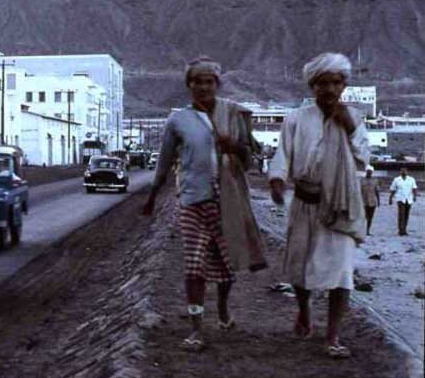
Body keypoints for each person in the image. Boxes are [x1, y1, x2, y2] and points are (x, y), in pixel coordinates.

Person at [143, 56, 267, 350]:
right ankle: (196, 328)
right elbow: (164, 161)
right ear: (189, 85)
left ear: (217, 84)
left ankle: (222, 307)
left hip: (228, 201)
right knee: (194, 265)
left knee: (226, 266)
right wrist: (152, 196)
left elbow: (250, 160)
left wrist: (233, 146)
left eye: (209, 81)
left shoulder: (233, 114)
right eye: (197, 81)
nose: (203, 87)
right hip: (192, 200)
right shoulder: (178, 120)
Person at [268, 52, 370, 358]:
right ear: (312, 86)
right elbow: (283, 154)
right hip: (304, 202)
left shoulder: (354, 118)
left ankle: (333, 336)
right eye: (322, 83)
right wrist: (277, 180)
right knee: (299, 267)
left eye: (336, 83)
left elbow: (364, 159)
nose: (329, 89)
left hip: (340, 204)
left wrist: (349, 126)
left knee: (342, 272)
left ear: (344, 86)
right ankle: (304, 310)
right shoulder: (296, 119)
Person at [389, 165, 418, 236]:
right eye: (402, 170)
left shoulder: (411, 179)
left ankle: (404, 229)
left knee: (406, 215)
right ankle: (400, 230)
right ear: (400, 171)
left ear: (407, 171)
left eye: (404, 170)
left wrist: (415, 196)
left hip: (409, 199)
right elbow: (393, 189)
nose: (403, 172)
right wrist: (390, 198)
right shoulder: (396, 180)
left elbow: (414, 188)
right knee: (401, 215)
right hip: (400, 199)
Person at [361, 167, 380, 234]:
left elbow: (377, 191)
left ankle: (367, 230)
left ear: (372, 173)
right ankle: (362, 230)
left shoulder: (375, 181)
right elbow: (359, 191)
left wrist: (378, 201)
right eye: (368, 172)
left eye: (370, 172)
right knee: (363, 217)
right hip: (363, 201)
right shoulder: (362, 180)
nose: (369, 173)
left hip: (372, 201)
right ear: (366, 172)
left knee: (370, 217)